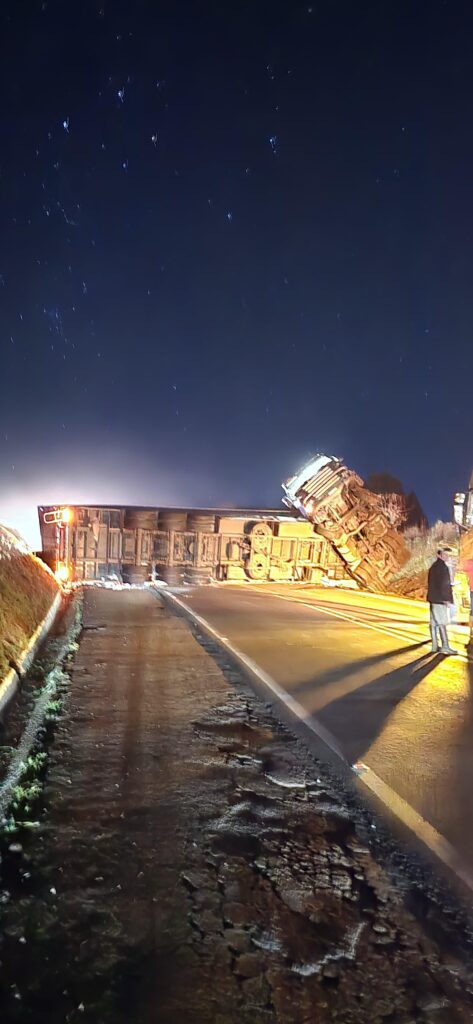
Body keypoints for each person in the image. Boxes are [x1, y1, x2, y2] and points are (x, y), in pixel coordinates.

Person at [427, 549, 458, 655]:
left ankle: (434, 646)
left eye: (448, 555)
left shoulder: (434, 567)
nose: (447, 556)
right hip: (440, 600)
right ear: (439, 555)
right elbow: (444, 585)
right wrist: (447, 599)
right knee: (442, 623)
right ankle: (445, 646)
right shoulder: (442, 567)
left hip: (433, 599)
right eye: (445, 554)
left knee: (434, 623)